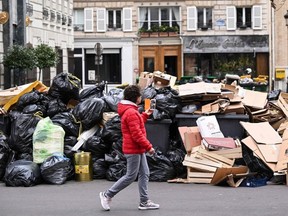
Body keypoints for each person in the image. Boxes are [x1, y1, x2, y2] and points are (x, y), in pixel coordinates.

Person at [99, 84, 160, 211]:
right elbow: (137, 134)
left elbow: (135, 125)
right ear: (136, 98)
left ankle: (144, 201)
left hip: (137, 148)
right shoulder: (131, 112)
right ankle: (107, 194)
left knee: (145, 173)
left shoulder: (131, 110)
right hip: (133, 149)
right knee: (131, 176)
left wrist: (145, 115)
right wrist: (149, 147)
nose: (141, 97)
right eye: (140, 95)